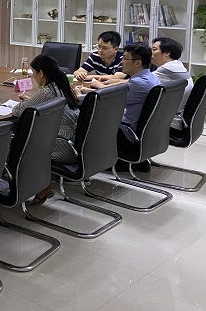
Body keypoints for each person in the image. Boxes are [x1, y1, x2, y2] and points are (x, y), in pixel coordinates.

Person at [11, 54, 80, 204]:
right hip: (74, 143)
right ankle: (43, 186)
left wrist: (26, 103)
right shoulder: (62, 86)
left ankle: (34, 186)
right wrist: (33, 102)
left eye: (34, 73)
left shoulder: (47, 91)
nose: (33, 77)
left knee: (19, 144)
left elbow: (17, 110)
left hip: (63, 146)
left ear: (41, 73)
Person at [89, 43, 159, 172]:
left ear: (137, 63)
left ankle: (85, 161)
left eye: (125, 59)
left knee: (86, 116)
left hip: (126, 133)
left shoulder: (139, 84)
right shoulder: (150, 77)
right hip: (143, 133)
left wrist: (85, 92)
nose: (121, 63)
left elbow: (107, 100)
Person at [151, 37, 193, 131]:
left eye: (154, 49)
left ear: (167, 53)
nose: (151, 53)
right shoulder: (178, 65)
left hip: (170, 121)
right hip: (178, 116)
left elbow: (141, 81)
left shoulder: (167, 69)